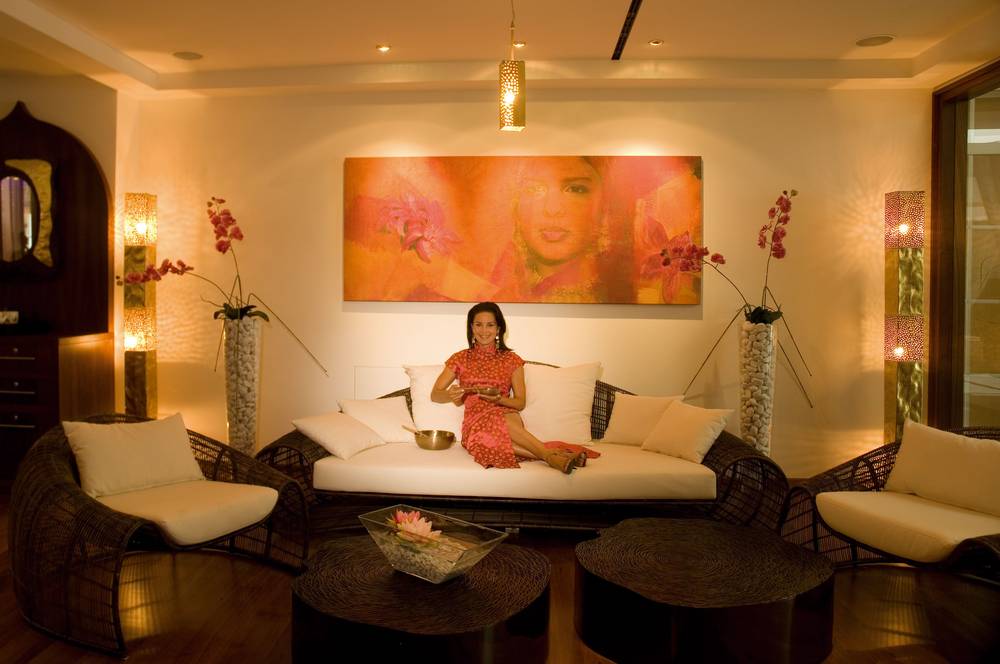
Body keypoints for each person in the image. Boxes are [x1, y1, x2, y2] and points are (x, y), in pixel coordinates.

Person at [431, 302, 586, 473]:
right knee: (487, 439)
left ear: (499, 329)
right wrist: (451, 395)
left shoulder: (512, 360)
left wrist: (498, 399)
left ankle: (550, 456)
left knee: (499, 421)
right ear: (472, 328)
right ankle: (553, 455)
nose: (484, 330)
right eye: (479, 324)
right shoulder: (459, 358)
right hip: (475, 421)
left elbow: (520, 403)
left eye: (490, 325)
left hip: (506, 413)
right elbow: (435, 394)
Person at [489, 157, 609, 302]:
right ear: (514, 206)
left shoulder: (620, 289)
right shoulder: (489, 287)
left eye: (576, 189)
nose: (552, 209)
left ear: (604, 206)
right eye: (534, 189)